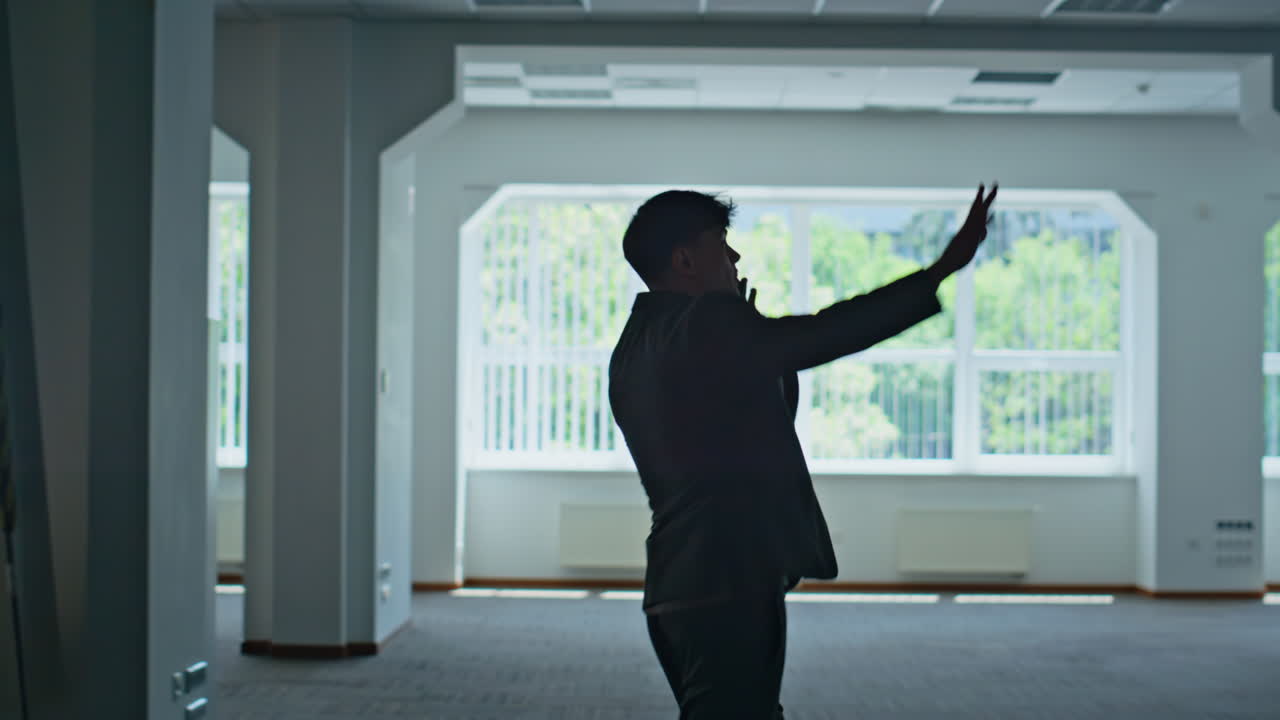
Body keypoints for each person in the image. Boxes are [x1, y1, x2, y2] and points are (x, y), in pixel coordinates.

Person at [607, 184, 998, 719]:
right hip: (729, 576)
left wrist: (746, 335)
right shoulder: (708, 323)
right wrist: (940, 270)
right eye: (722, 242)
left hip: (679, 580)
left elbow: (743, 429)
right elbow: (824, 335)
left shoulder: (636, 344)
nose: (734, 256)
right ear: (685, 258)